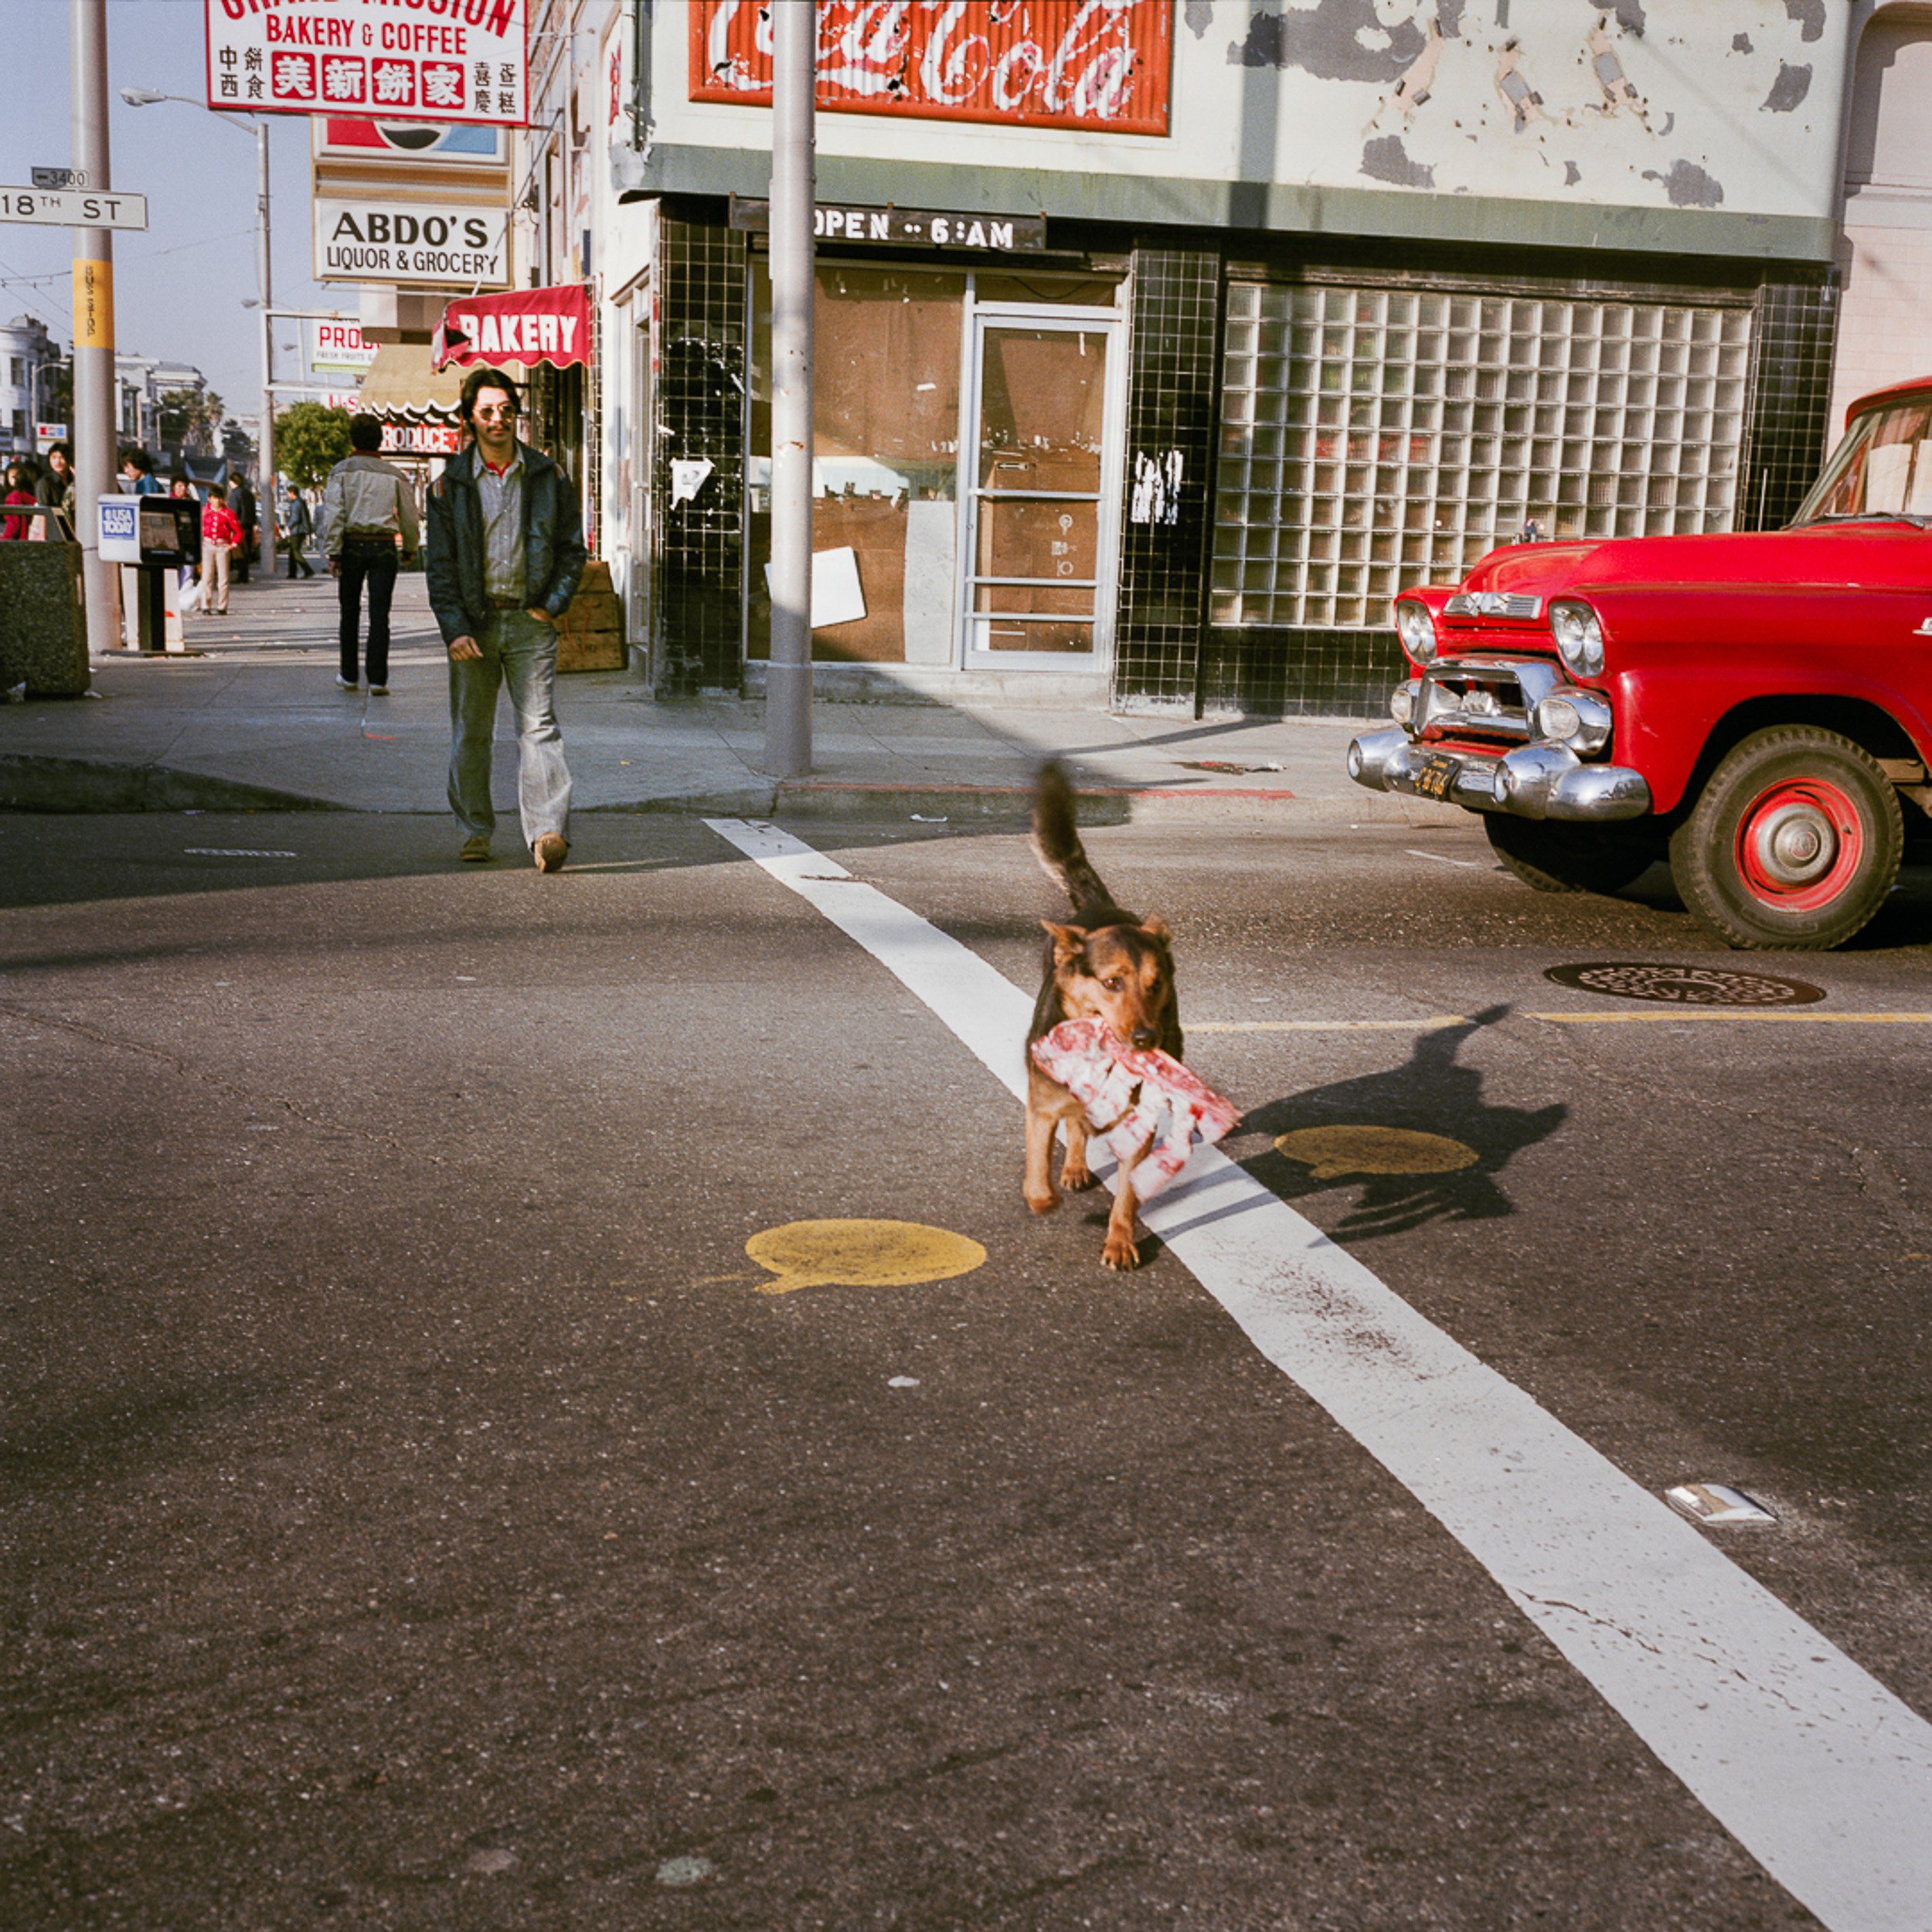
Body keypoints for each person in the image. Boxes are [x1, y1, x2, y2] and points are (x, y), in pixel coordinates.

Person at [424, 365, 586, 872]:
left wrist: (551, 605)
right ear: (470, 419)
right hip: (474, 624)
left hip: (528, 624)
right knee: (472, 730)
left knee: (539, 728)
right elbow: (441, 567)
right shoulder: (447, 486)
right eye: (487, 412)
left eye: (507, 410)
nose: (499, 420)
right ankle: (474, 828)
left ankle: (546, 833)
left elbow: (571, 550)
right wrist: (454, 628)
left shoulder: (548, 475)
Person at [320, 413, 420, 693]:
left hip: (352, 545)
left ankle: (349, 675)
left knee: (349, 612)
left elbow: (334, 515)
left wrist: (334, 552)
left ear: (352, 439)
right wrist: (410, 548)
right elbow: (410, 517)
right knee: (380, 614)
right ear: (381, 439)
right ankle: (378, 679)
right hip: (384, 547)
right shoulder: (395, 475)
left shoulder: (341, 472)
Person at [199, 484, 242, 616]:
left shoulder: (228, 514)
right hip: (207, 546)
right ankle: (205, 605)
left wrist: (233, 545)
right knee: (207, 577)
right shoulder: (204, 512)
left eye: (219, 498)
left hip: (222, 546)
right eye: (214, 498)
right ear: (209, 499)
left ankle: (222, 606)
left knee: (223, 578)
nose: (216, 501)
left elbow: (238, 532)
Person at [36, 442, 75, 532]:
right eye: (53, 457)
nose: (57, 462)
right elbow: (43, 511)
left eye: (61, 458)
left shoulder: (73, 480)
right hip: (54, 529)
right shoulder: (45, 483)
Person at [281, 485, 315, 577]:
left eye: (288, 493)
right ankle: (292, 573)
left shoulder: (296, 503)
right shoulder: (299, 502)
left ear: (292, 493)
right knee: (292, 552)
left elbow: (296, 518)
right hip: (300, 530)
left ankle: (308, 570)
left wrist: (289, 526)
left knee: (295, 552)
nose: (288, 495)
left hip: (297, 530)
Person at [230, 471, 257, 581]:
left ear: (234, 482)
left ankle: (241, 576)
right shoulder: (249, 494)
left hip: (239, 527)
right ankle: (244, 575)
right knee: (246, 552)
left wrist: (231, 527)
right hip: (248, 526)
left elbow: (233, 512)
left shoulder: (235, 495)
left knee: (238, 552)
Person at [2, 459, 39, 539]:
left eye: (17, 476)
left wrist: (3, 540)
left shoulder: (14, 497)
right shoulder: (33, 496)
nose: (15, 480)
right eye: (13, 477)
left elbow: (14, 526)